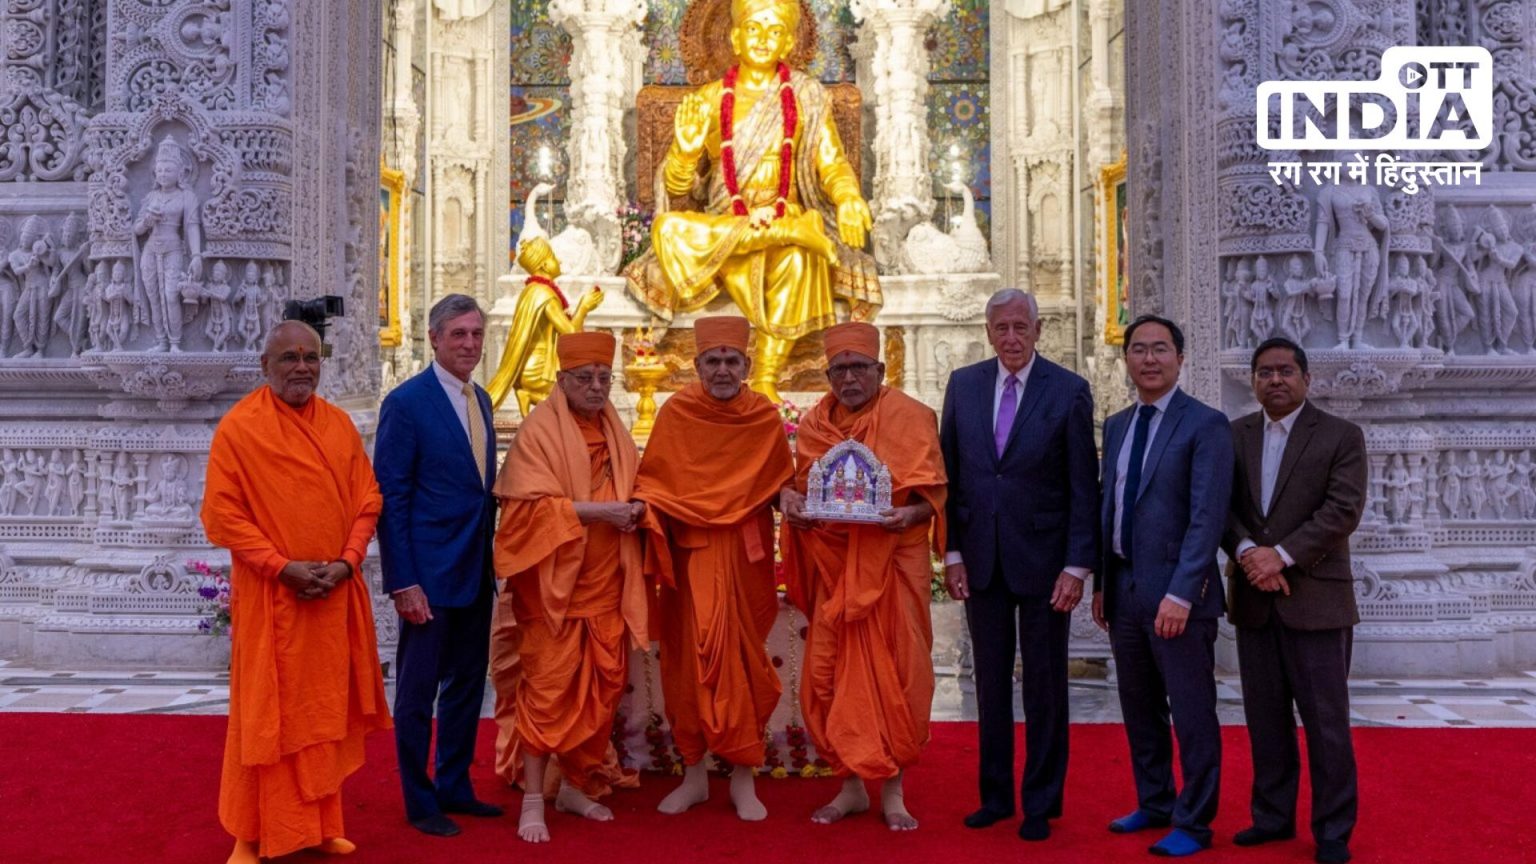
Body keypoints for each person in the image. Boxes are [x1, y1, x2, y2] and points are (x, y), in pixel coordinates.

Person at [201, 320, 391, 863]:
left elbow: (367, 498)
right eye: (289, 358)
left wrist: (348, 562)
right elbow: (221, 515)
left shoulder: (337, 426)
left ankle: (320, 823)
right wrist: (280, 566)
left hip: (331, 599)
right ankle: (251, 833)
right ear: (266, 366)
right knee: (266, 716)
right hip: (273, 600)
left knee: (323, 716)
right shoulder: (241, 429)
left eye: (310, 356)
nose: (301, 367)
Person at [624, 0, 880, 403]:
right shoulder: (709, 100)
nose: (764, 39)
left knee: (800, 260)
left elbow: (832, 164)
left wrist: (848, 198)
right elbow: (676, 188)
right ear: (735, 37)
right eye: (754, 29)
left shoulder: (806, 96)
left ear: (789, 41)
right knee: (668, 229)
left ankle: (765, 377)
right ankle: (787, 231)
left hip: (783, 237)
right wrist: (686, 153)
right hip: (725, 235)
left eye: (774, 30)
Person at [938, 289, 1099, 841]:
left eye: (1020, 328)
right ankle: (995, 796)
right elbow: (950, 477)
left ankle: (1040, 802)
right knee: (988, 685)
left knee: (1046, 686)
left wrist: (1078, 566)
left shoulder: (1069, 390)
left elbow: (1084, 485)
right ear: (988, 332)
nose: (1011, 338)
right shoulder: (964, 386)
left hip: (1045, 563)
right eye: (1001, 328)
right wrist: (952, 552)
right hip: (981, 560)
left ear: (1037, 332)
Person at [779, 322, 946, 830]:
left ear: (880, 370)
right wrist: (791, 502)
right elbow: (801, 487)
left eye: (859, 368)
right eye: (839, 369)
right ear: (828, 374)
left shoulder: (911, 418)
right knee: (828, 674)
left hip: (894, 563)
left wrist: (909, 517)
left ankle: (893, 790)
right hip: (836, 570)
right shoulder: (813, 425)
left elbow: (932, 496)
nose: (849, 378)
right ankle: (850, 786)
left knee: (897, 672)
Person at [633, 315, 794, 820]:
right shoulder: (678, 413)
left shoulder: (763, 416)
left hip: (743, 560)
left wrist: (793, 499)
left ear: (747, 365)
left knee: (743, 667)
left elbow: (777, 484)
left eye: (731, 361)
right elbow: (653, 483)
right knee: (688, 667)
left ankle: (744, 778)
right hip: (690, 559)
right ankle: (695, 775)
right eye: (712, 361)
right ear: (697, 364)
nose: (722, 369)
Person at [491, 331, 649, 843]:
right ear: (562, 381)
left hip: (606, 585)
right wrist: (601, 512)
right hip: (553, 593)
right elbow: (523, 513)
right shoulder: (539, 432)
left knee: (600, 693)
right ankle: (535, 797)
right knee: (547, 692)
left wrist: (640, 509)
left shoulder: (615, 430)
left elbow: (636, 486)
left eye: (605, 377)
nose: (597, 386)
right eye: (585, 378)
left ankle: (577, 785)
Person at [1093, 314, 1234, 857]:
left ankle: (1195, 821)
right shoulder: (1119, 423)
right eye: (1138, 350)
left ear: (1180, 357)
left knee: (1191, 710)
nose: (1148, 359)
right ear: (1125, 358)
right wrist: (1104, 581)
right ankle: (1154, 801)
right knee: (1139, 704)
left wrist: (1182, 592)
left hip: (1178, 595)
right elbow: (1112, 505)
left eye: (1160, 349)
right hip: (1125, 589)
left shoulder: (1206, 424)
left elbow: (1207, 517)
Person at [1224, 337, 1365, 864]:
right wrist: (1247, 553)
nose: (1275, 380)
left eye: (1285, 371)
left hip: (1317, 602)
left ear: (1306, 378)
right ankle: (1271, 817)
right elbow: (1222, 507)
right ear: (1254, 380)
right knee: (1264, 718)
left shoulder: (1340, 436)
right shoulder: (1235, 436)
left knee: (1325, 722)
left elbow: (1342, 510)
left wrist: (1279, 556)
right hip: (1255, 602)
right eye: (1265, 372)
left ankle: (1332, 830)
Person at [376, 293, 503, 837]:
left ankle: (455, 783)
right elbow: (392, 496)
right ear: (434, 338)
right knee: (417, 690)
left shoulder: (484, 400)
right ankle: (419, 797)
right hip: (427, 574)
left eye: (475, 334)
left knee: (468, 684)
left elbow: (479, 491)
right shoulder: (407, 403)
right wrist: (403, 580)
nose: (469, 344)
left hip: (475, 569)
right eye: (458, 334)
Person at [486, 236, 603, 416]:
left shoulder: (532, 290)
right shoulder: (544, 293)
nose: (559, 261)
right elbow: (570, 333)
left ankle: (527, 394)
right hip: (539, 372)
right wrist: (584, 307)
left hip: (529, 370)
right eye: (554, 258)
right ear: (544, 266)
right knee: (579, 393)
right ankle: (531, 396)